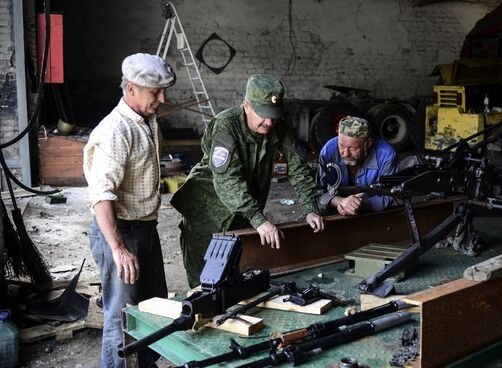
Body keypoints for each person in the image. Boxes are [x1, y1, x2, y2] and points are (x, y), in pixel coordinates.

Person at [170, 73, 325, 288]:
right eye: (263, 114)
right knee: (205, 281)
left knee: (237, 272)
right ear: (246, 105)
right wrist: (258, 219)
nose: (269, 122)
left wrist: (310, 207)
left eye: (273, 115)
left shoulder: (279, 128)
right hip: (207, 210)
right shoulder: (226, 125)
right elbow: (227, 179)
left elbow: (298, 167)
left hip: (245, 210)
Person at [83, 53, 175, 368]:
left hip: (144, 228)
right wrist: (119, 248)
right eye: (155, 92)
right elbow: (101, 197)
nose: (163, 98)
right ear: (132, 88)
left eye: (164, 90)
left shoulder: (147, 120)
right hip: (120, 233)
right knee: (121, 318)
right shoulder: (115, 131)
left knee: (152, 309)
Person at [317, 116, 398, 216]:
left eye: (353, 149)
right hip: (336, 208)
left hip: (372, 212)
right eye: (341, 146)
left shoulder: (386, 155)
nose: (345, 154)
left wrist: (359, 205)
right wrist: (341, 202)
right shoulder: (328, 152)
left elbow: (389, 194)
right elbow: (320, 192)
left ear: (368, 143)